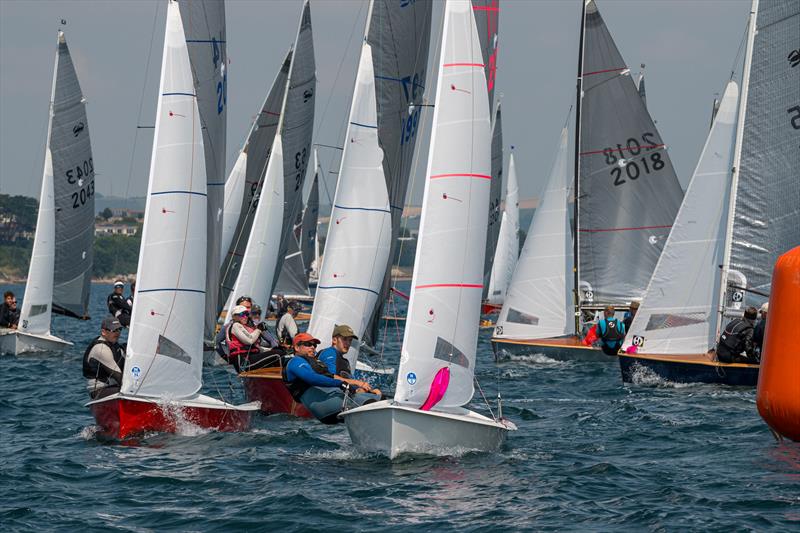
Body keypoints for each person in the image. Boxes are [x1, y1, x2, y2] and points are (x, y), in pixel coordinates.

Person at [283, 332, 380, 424]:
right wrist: (339, 383)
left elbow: (332, 376)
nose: (313, 347)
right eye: (308, 344)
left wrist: (359, 388)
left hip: (332, 398)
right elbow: (312, 378)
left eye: (314, 345)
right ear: (297, 347)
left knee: (379, 399)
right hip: (321, 406)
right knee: (370, 403)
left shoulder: (314, 364)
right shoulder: (295, 362)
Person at [225, 305, 283, 372]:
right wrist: (259, 329)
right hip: (243, 363)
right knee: (278, 354)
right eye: (242, 314)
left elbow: (255, 348)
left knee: (280, 352)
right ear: (234, 317)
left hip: (249, 360)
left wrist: (271, 349)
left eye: (247, 314)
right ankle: (284, 378)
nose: (245, 317)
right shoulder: (235, 326)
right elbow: (250, 341)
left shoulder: (243, 326)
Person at [83, 316, 126, 399]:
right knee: (132, 392)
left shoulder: (116, 346)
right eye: (114, 330)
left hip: (114, 388)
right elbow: (118, 377)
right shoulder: (101, 349)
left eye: (119, 329)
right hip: (99, 391)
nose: (117, 333)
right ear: (103, 332)